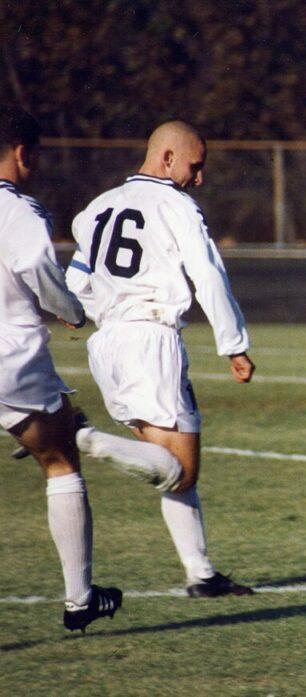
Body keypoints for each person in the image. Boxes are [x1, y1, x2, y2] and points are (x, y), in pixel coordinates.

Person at [1, 106, 186, 631]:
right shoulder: (19, 210)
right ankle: (80, 599)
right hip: (10, 357)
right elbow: (38, 268)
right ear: (24, 153)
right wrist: (71, 309)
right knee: (61, 460)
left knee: (56, 432)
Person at [66, 120, 256, 598]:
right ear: (168, 157)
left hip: (107, 344)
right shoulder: (176, 205)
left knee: (171, 468)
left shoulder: (97, 207)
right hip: (150, 340)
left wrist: (79, 313)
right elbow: (208, 275)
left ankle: (201, 574)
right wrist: (233, 343)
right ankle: (84, 437)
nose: (199, 178)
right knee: (181, 471)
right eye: (195, 165)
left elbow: (76, 280)